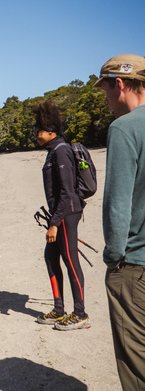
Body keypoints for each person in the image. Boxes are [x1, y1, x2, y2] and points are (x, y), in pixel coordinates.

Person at [95, 54, 145, 389]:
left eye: (106, 91)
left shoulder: (125, 128)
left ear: (121, 85)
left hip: (135, 263)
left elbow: (117, 204)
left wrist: (114, 257)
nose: (108, 100)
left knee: (136, 360)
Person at [31, 101, 90, 330]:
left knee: (71, 261)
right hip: (60, 213)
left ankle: (80, 314)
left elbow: (67, 192)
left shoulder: (61, 150)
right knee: (51, 257)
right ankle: (58, 310)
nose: (36, 134)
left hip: (67, 213)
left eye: (39, 131)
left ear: (51, 132)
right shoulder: (53, 151)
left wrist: (54, 223)